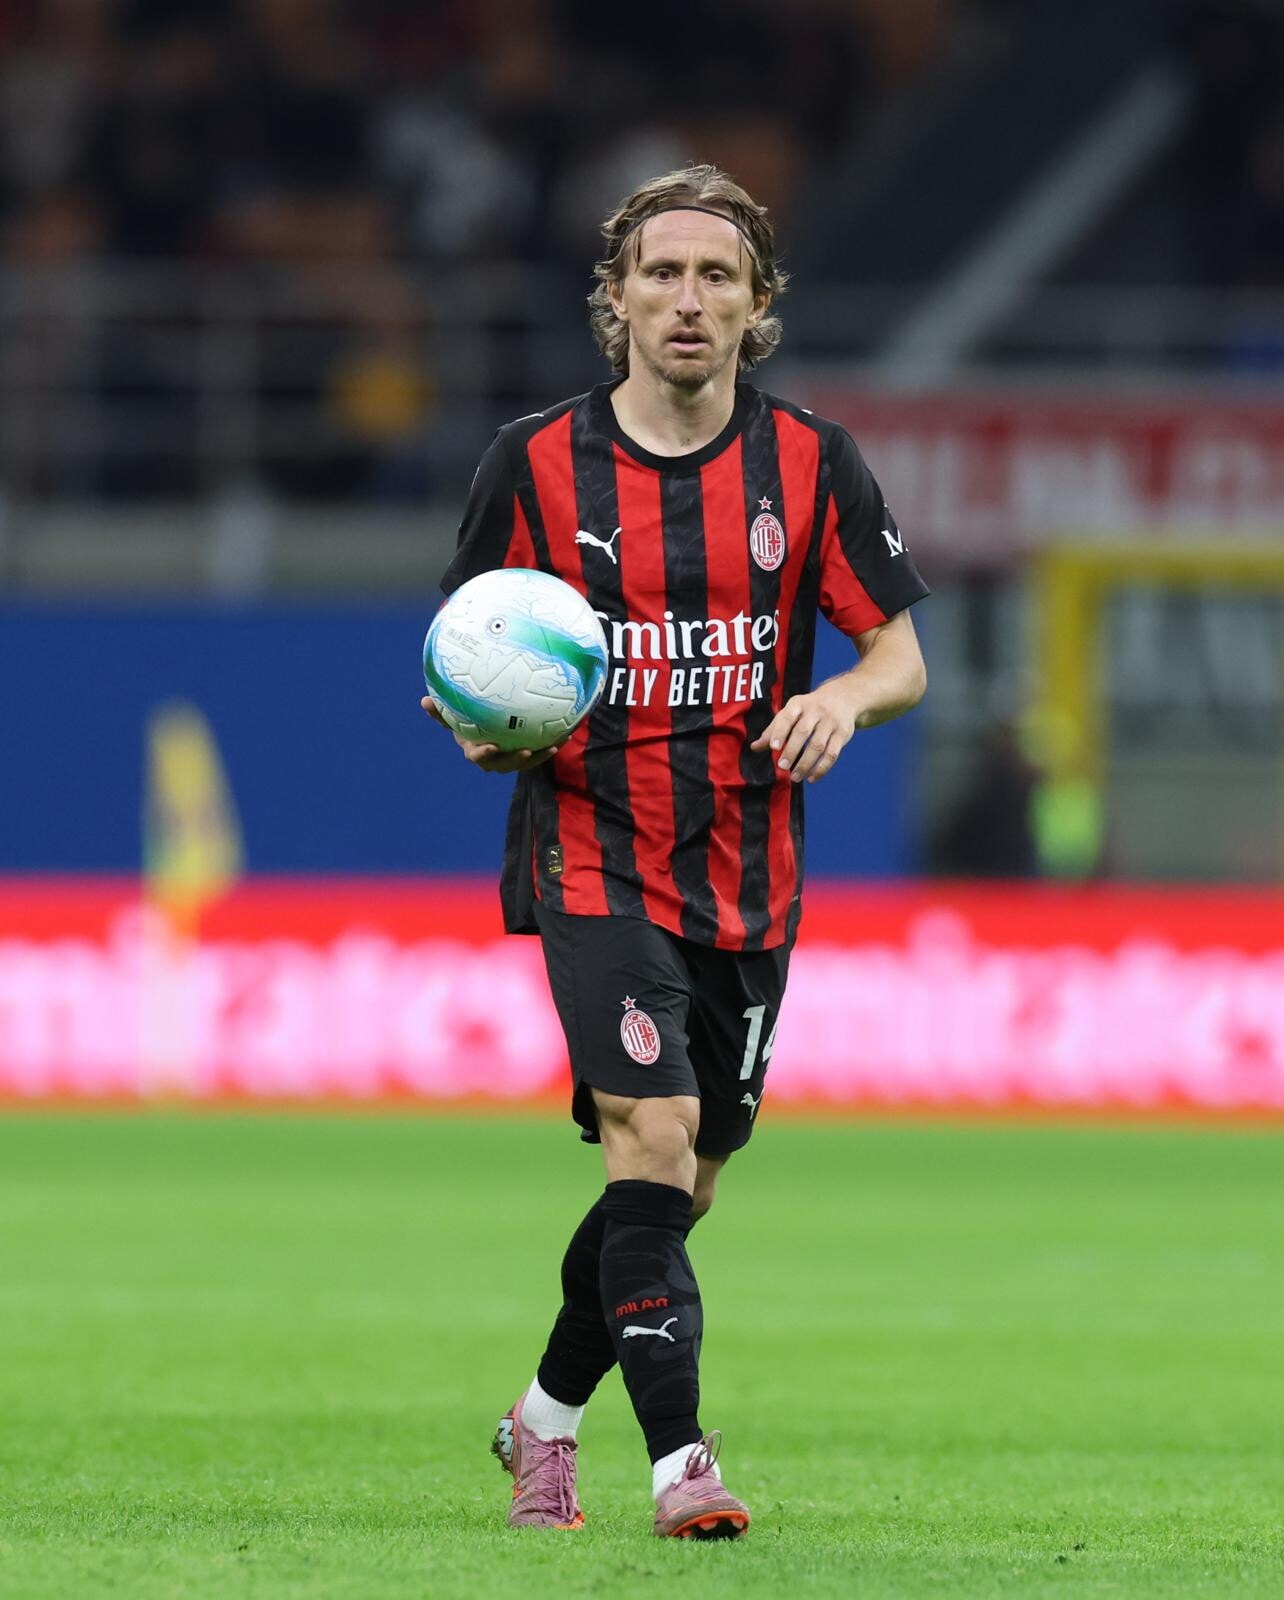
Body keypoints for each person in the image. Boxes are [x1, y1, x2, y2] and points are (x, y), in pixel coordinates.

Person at [422, 164, 929, 1539]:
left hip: (749, 871)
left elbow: (901, 656)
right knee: (652, 1132)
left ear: (759, 306)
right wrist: (479, 729)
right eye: (662, 273)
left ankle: (540, 1421)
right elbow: (468, 658)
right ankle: (679, 1466)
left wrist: (842, 699)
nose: (688, 299)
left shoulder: (812, 463)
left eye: (718, 276)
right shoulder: (531, 464)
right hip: (591, 850)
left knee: (683, 1181)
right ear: (618, 299)